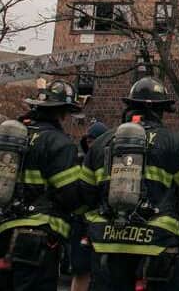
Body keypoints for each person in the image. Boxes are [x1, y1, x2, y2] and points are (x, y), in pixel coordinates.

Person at [82, 77, 179, 291]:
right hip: (157, 247)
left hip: (106, 247)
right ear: (161, 110)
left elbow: (83, 196)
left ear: (129, 106)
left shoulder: (100, 144)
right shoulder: (175, 144)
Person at [0, 80, 86, 291]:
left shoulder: (6, 140)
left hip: (0, 233)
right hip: (37, 238)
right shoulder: (58, 143)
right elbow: (70, 194)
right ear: (63, 113)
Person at [69, 121, 107, 291]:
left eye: (95, 140)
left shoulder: (108, 165)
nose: (92, 144)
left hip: (100, 224)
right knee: (81, 270)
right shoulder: (79, 161)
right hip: (81, 223)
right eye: (89, 140)